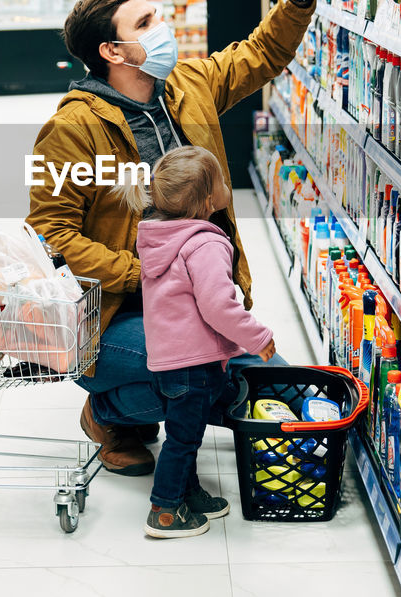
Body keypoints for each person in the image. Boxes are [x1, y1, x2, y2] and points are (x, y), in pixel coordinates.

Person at [26, 0, 320, 476]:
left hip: (194, 296)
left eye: (156, 14)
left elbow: (261, 53)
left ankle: (134, 403)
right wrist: (146, 274)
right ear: (114, 51)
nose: (162, 27)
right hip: (118, 312)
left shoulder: (187, 87)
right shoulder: (72, 129)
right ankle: (110, 412)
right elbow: (50, 231)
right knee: (213, 370)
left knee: (265, 377)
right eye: (146, 23)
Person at [121, 146, 276, 538]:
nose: (227, 184)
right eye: (222, 181)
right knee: (183, 440)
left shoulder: (158, 236)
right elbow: (218, 307)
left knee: (182, 435)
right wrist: (258, 338)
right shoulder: (204, 244)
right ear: (209, 200)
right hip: (192, 364)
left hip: (167, 360)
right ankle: (165, 510)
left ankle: (189, 493)